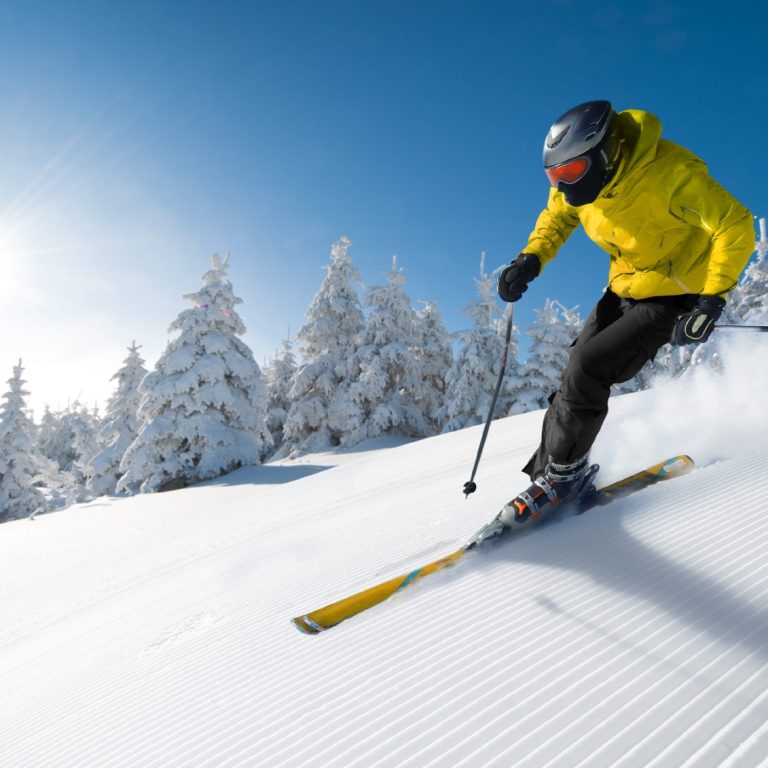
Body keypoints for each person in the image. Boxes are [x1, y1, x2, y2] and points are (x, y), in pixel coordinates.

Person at [497, 100, 754, 525]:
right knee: (574, 372)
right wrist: (530, 259)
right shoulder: (579, 184)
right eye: (554, 176)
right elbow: (556, 219)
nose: (563, 186)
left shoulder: (670, 175)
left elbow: (735, 224)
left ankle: (562, 480)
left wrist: (712, 299)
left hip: (675, 294)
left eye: (571, 173)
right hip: (625, 286)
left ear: (604, 152)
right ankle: (551, 477)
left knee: (590, 366)